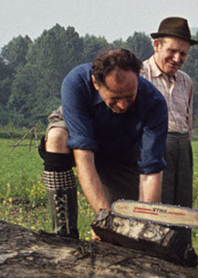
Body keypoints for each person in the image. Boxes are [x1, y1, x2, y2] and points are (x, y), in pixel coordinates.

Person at [38, 48, 168, 239]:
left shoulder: (154, 102)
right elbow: (83, 157)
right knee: (57, 137)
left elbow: (150, 172)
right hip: (83, 142)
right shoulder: (76, 83)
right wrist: (105, 219)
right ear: (96, 83)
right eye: (115, 98)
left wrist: (143, 221)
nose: (123, 105)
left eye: (129, 97)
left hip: (122, 153)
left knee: (130, 224)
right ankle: (64, 233)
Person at [141, 17, 198, 214]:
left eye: (183, 54)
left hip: (182, 148)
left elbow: (188, 123)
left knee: (182, 209)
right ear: (157, 45)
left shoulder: (186, 81)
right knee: (157, 208)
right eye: (172, 51)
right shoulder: (140, 75)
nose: (177, 58)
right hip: (153, 148)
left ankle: (182, 245)